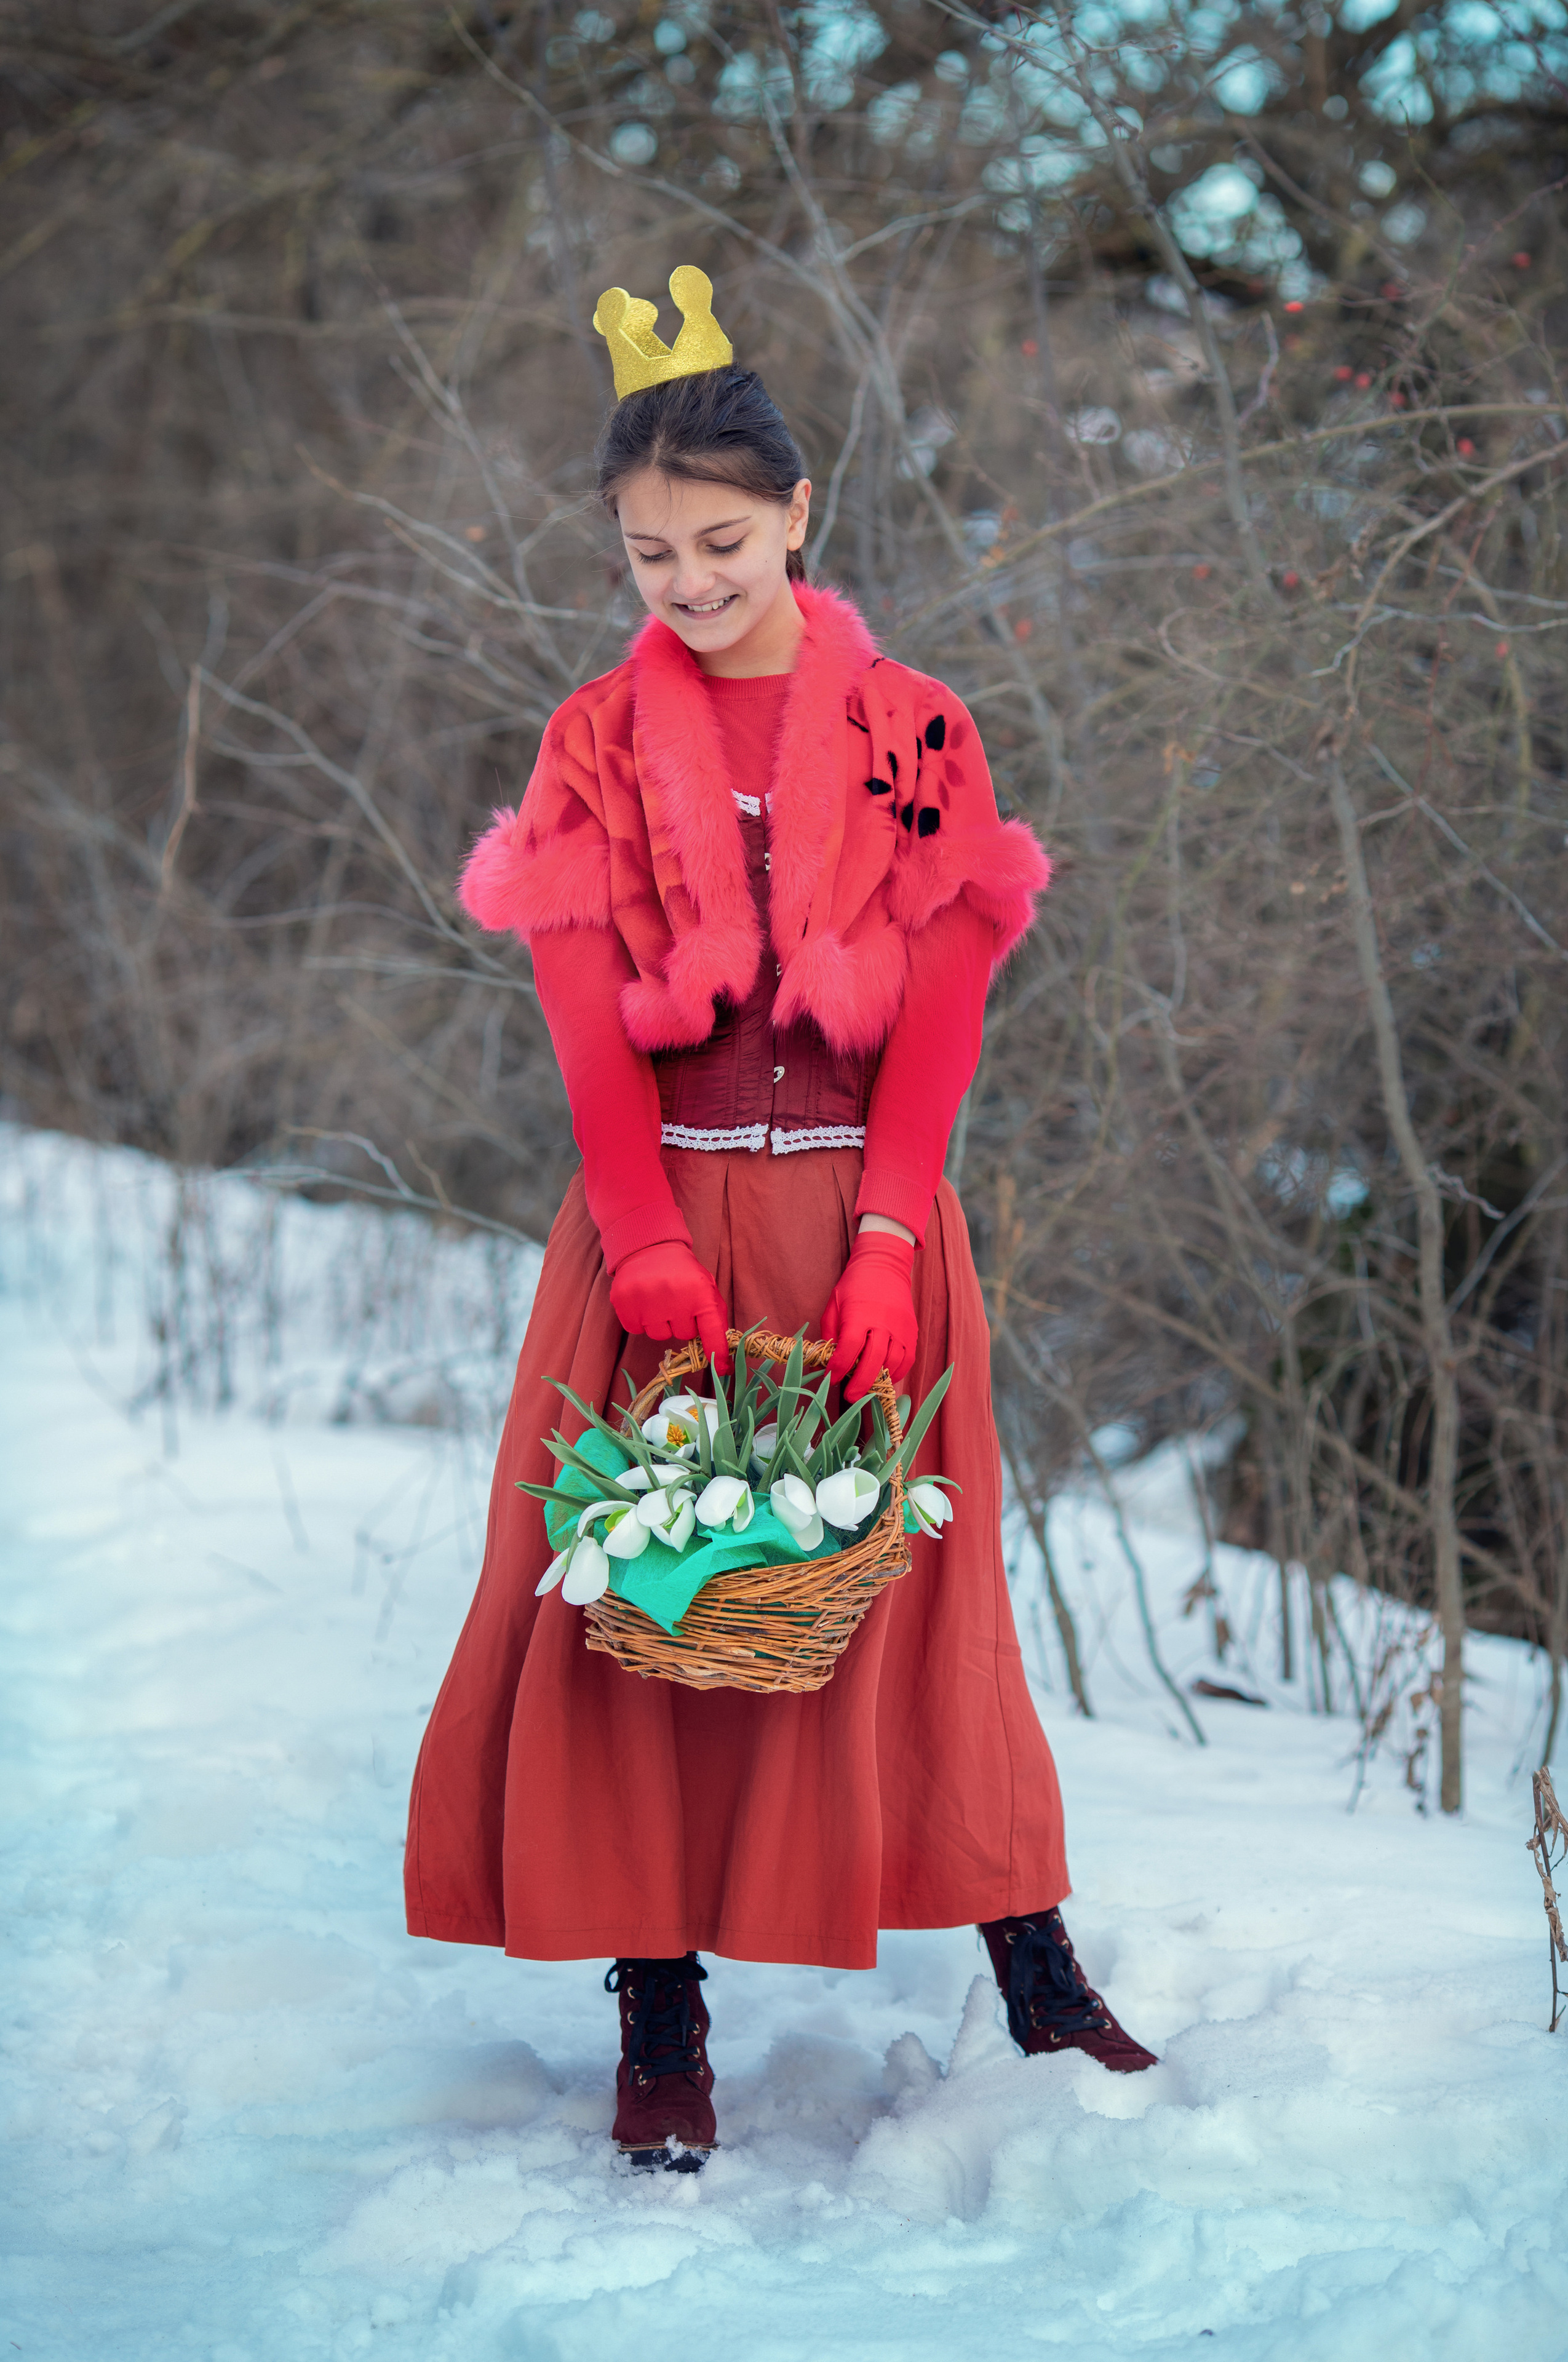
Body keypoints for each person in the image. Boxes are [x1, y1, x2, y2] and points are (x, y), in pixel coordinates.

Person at [404, 266, 1156, 2171]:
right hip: (650, 1231)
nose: (686, 579)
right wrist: (640, 1231)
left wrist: (896, 1233)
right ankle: (661, 2020)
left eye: (720, 540)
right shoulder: (590, 743)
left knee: (919, 1604)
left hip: (861, 1233)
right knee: (634, 1613)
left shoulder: (917, 732)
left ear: (799, 515)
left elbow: (954, 998)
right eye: (649, 549)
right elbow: (582, 1004)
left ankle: (1036, 1966)